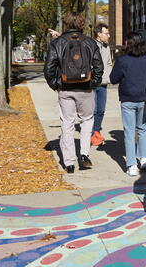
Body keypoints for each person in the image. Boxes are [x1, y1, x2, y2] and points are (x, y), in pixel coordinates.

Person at [44, 13, 103, 173]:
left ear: (65, 24)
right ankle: (84, 155)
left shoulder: (58, 42)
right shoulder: (90, 42)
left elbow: (49, 68)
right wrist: (93, 83)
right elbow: (98, 66)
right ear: (82, 24)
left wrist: (57, 85)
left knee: (67, 123)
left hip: (65, 88)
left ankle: (69, 162)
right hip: (85, 89)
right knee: (87, 121)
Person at [110, 31, 146, 176]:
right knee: (142, 129)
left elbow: (113, 78)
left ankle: (132, 165)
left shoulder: (122, 60)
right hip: (144, 99)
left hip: (127, 99)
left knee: (129, 132)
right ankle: (144, 158)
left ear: (129, 43)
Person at [91, 23, 112, 148]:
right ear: (99, 34)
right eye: (106, 33)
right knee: (92, 110)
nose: (108, 36)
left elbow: (109, 63)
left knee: (101, 110)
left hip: (103, 83)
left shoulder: (107, 47)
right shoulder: (91, 45)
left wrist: (108, 76)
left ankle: (96, 131)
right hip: (92, 83)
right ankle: (92, 134)